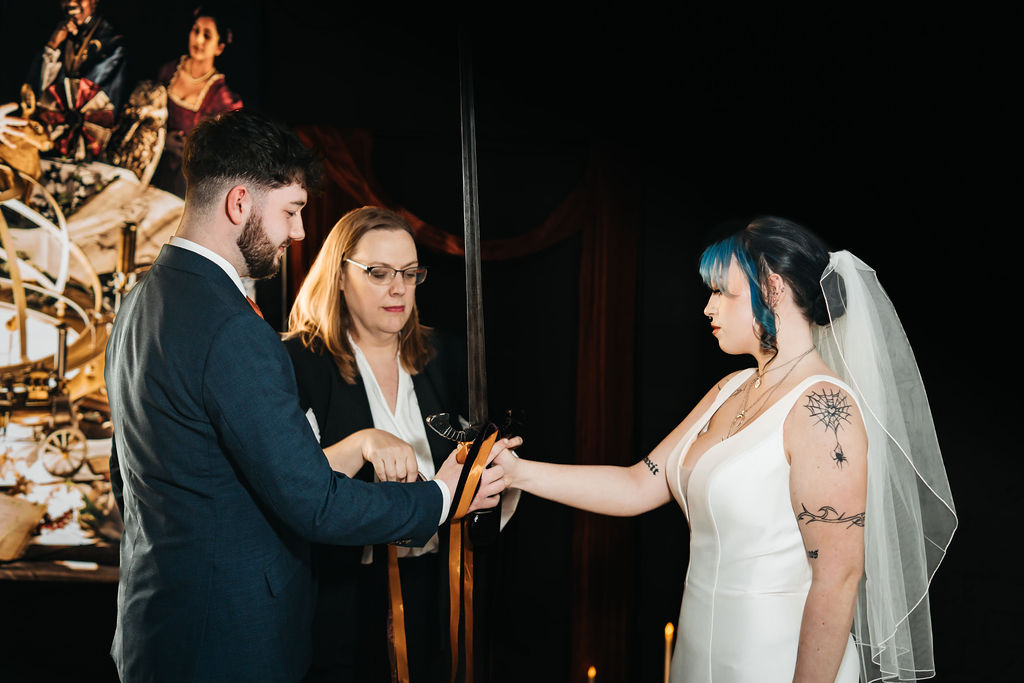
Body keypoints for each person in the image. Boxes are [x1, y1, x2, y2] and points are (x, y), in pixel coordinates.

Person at [104, 109, 509, 682]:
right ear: (239, 203)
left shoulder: (140, 302)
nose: (298, 233)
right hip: (227, 639)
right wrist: (441, 497)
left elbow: (124, 473)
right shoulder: (234, 330)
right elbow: (315, 503)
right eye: (291, 211)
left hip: (160, 623)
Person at [493, 217, 956, 682]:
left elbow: (837, 580)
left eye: (722, 292)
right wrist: (518, 472)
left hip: (772, 661)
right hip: (698, 652)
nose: (708, 308)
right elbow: (637, 483)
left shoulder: (823, 406)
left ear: (772, 289)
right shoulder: (730, 388)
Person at [284, 206, 518, 681]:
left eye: (410, 274)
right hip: (341, 598)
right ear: (340, 276)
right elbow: (287, 481)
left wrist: (496, 475)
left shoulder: (445, 356)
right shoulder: (297, 360)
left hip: (439, 591)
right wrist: (360, 443)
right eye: (379, 273)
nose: (398, 288)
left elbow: (471, 487)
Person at [152, 6, 243, 197]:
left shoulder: (222, 97)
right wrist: (162, 139)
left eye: (207, 35)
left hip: (190, 182)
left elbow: (227, 152)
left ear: (219, 47)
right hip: (155, 165)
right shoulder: (169, 72)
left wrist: (193, 149)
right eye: (196, 31)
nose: (198, 39)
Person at [28, 0, 126, 110]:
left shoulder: (112, 43)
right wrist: (53, 45)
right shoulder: (54, 34)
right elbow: (39, 93)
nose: (71, 3)